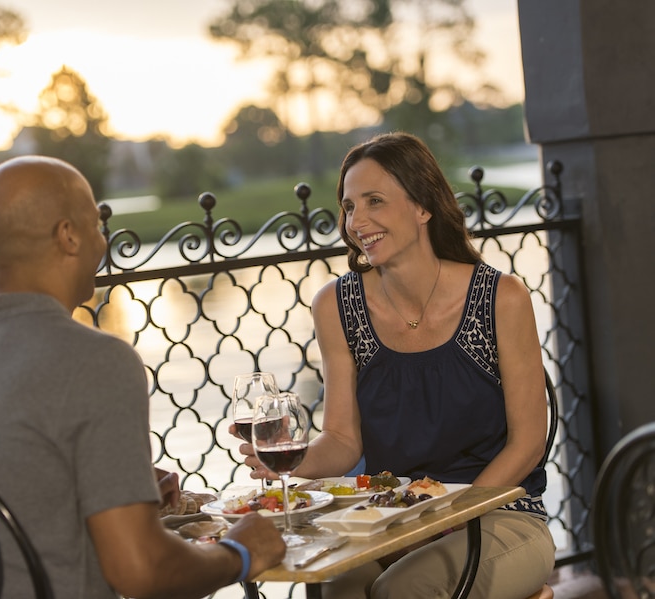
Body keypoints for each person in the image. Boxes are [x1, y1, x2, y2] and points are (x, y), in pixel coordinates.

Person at [0, 155, 285, 599]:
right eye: (96, 224)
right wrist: (239, 552)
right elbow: (141, 573)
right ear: (69, 236)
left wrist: (120, 480)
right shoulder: (96, 360)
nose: (103, 242)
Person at [238, 132, 555, 598]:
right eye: (349, 206)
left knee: (404, 590)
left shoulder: (500, 298)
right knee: (333, 589)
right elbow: (344, 441)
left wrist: (449, 516)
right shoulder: (336, 306)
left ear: (423, 207)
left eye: (374, 202)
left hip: (499, 514)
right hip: (391, 518)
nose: (357, 221)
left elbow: (527, 444)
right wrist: (294, 460)